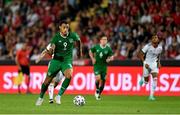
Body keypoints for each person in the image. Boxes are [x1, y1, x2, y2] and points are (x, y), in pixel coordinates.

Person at [35, 20, 82, 106]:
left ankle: (58, 96)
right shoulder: (56, 37)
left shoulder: (73, 35)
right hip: (56, 61)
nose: (66, 29)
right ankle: (41, 97)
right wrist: (51, 51)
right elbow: (52, 47)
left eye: (67, 27)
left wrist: (79, 51)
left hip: (66, 60)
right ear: (60, 28)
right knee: (47, 81)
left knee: (69, 75)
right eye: (64, 27)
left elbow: (78, 41)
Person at [89, 35, 114, 100]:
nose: (104, 41)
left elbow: (112, 56)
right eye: (103, 39)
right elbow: (90, 51)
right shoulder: (96, 47)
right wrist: (92, 58)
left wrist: (109, 59)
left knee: (103, 80)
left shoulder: (108, 48)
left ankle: (98, 94)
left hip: (104, 66)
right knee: (98, 78)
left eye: (105, 39)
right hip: (97, 65)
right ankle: (97, 89)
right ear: (100, 41)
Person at [138, 35, 162, 100]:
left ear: (158, 41)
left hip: (154, 64)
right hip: (147, 63)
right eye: (154, 38)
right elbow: (140, 54)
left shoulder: (160, 48)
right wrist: (144, 63)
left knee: (155, 79)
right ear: (152, 41)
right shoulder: (147, 46)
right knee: (146, 82)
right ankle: (143, 79)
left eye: (156, 38)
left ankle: (151, 96)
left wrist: (159, 62)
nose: (155, 44)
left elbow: (159, 55)